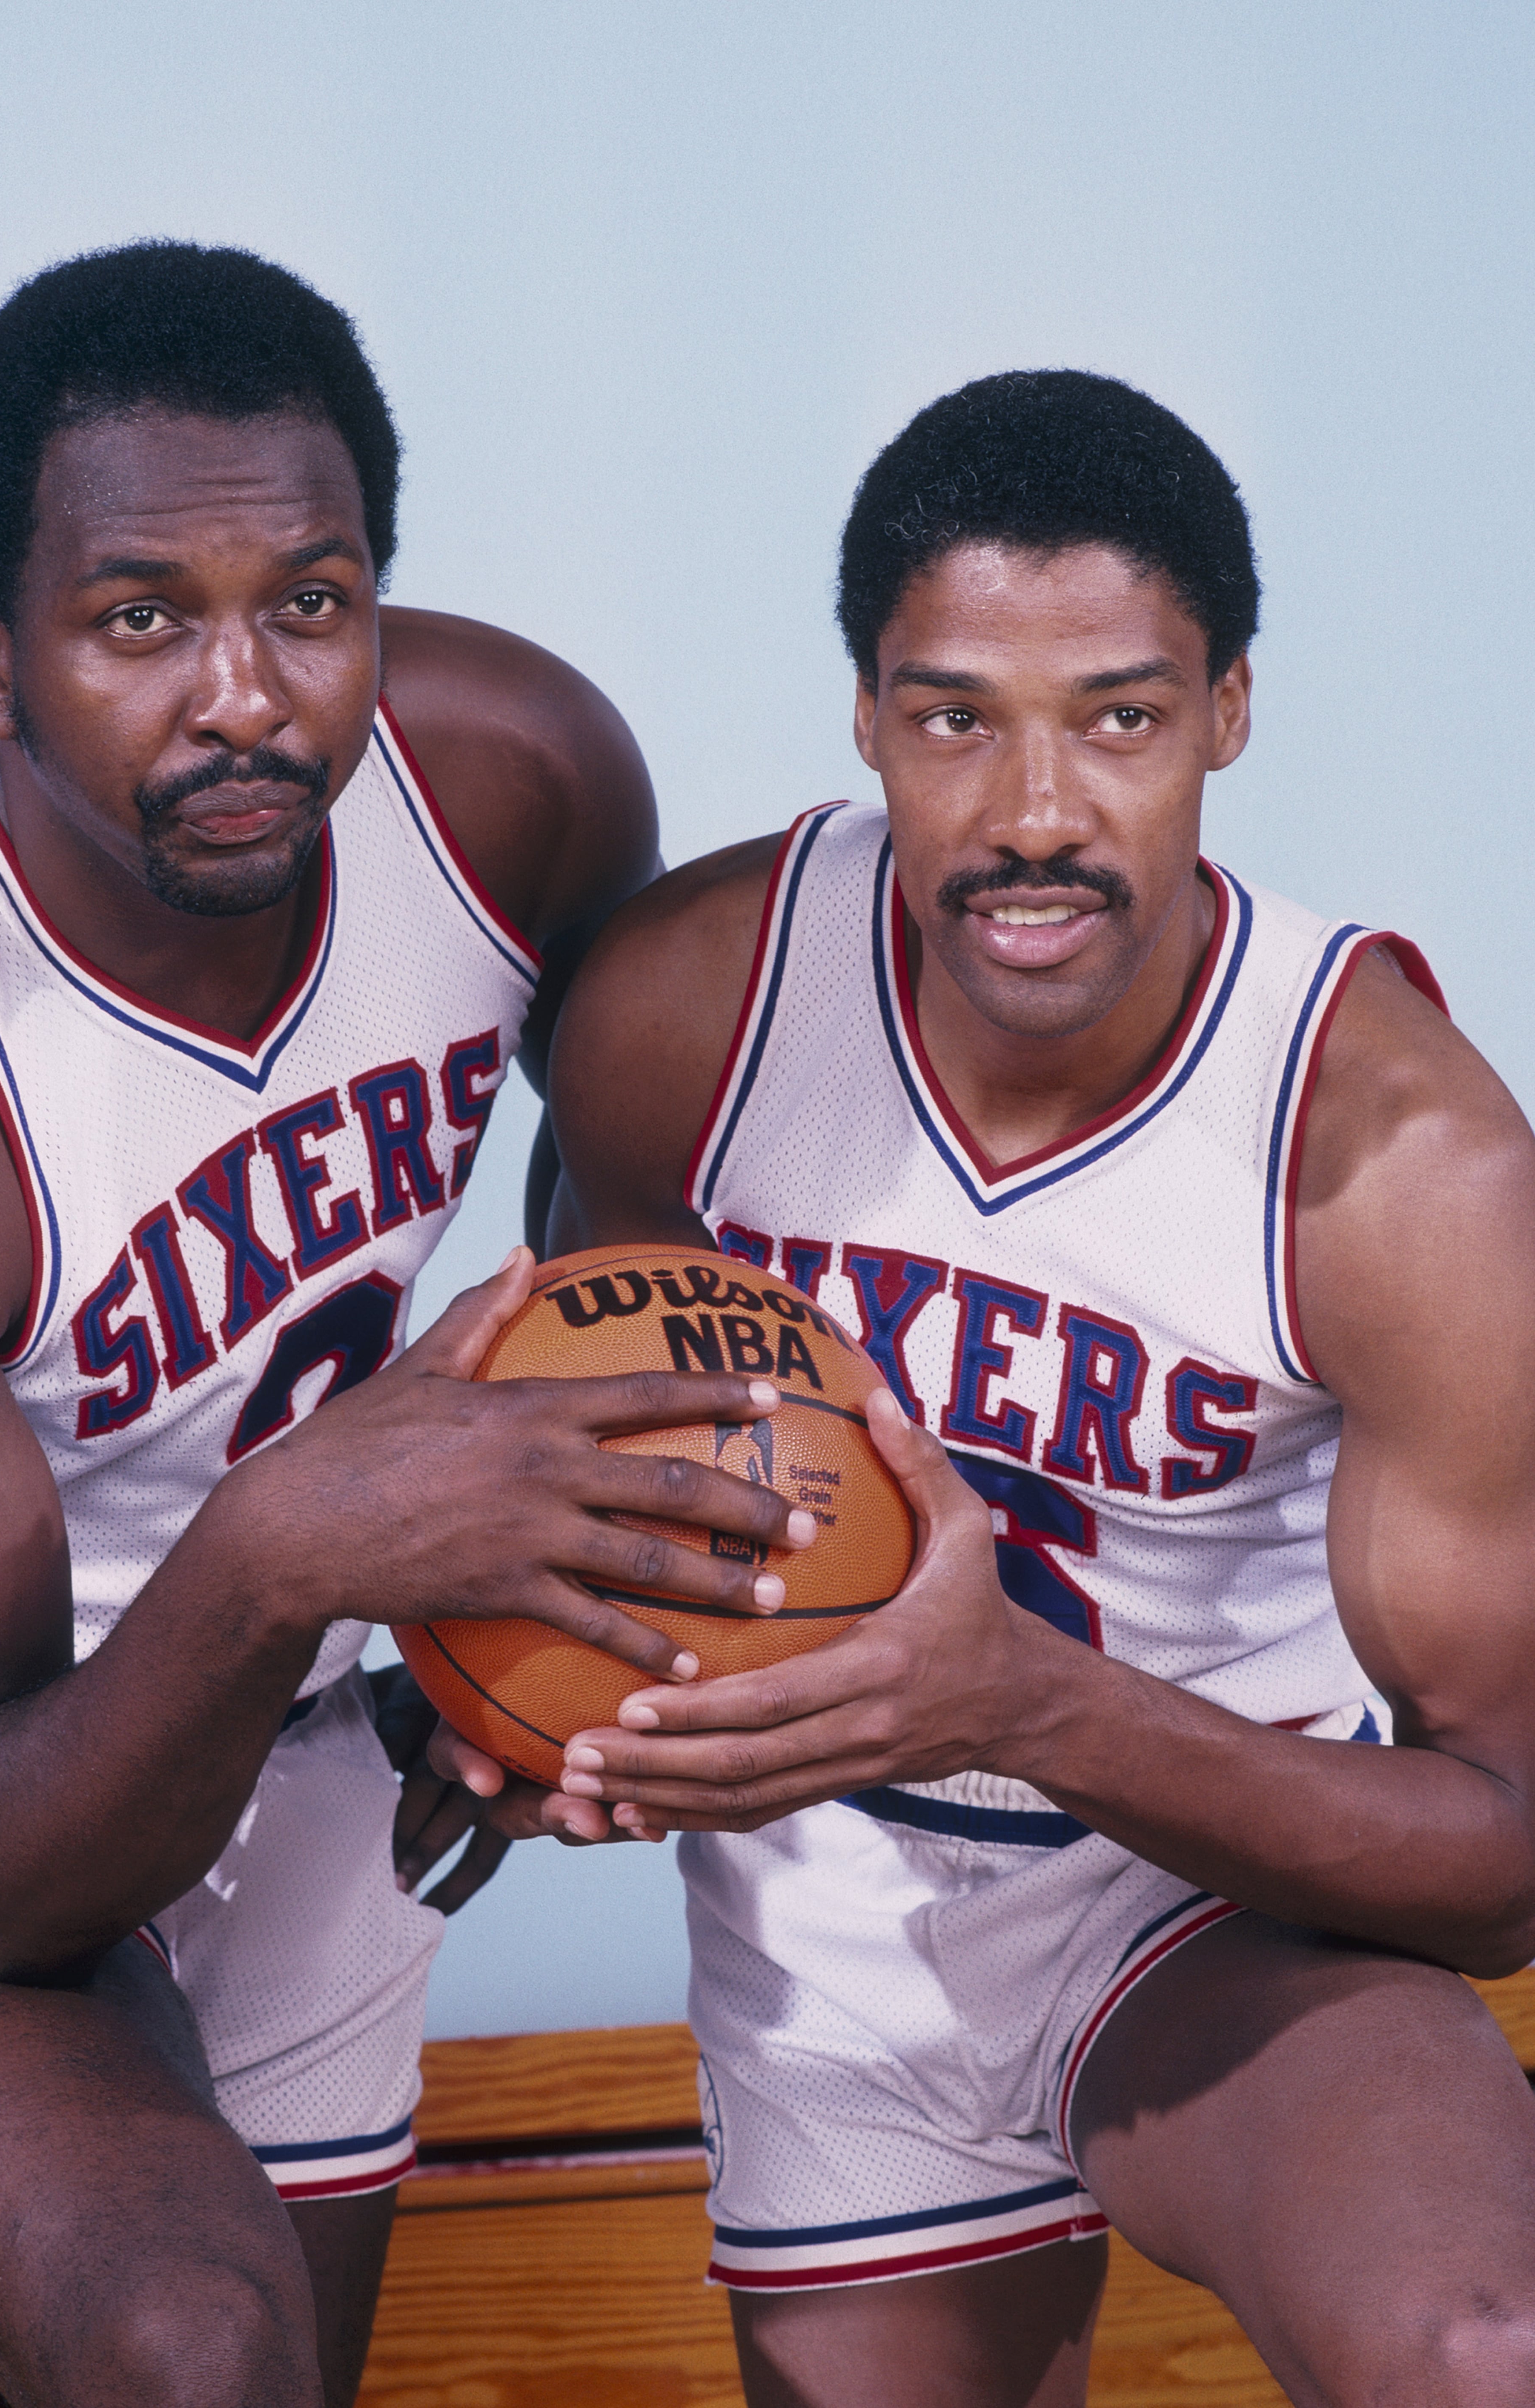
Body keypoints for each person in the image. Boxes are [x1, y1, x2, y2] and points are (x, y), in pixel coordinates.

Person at [507, 371, 1535, 2405]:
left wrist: (1022, 1699)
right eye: (958, 716)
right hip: (837, 1915)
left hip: (1218, 1891)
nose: (1038, 812)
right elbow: (580, 1433)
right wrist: (538, 1701)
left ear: (1232, 710)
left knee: (1484, 2343)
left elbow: (1503, 1857)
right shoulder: (689, 1008)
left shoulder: (1402, 1164)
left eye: (1122, 717)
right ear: (871, 714)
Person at [0, 241, 813, 2408]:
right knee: (186, 2347)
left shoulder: (513, 783)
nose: (249, 697)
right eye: (141, 619)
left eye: (311, 601)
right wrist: (302, 1540)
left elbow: (616, 1219)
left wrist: (533, 1647)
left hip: (301, 1711)